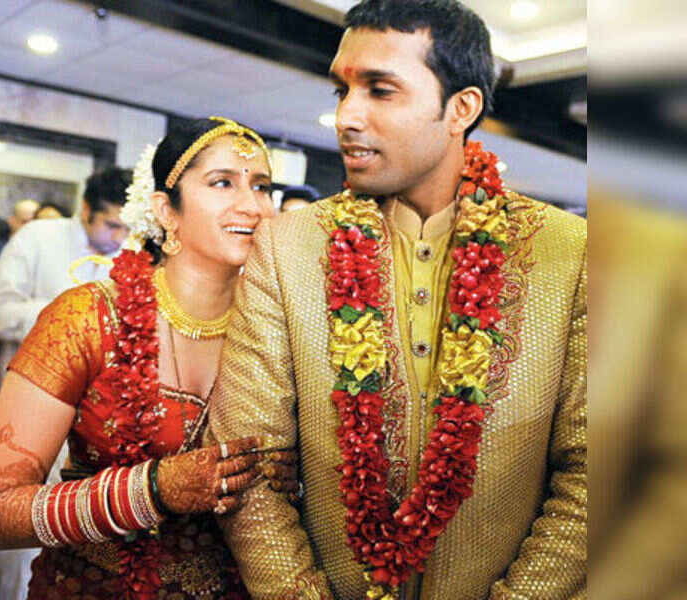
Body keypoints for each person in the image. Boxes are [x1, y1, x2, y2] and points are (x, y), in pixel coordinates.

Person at [209, 2, 586, 599]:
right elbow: (251, 467)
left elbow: (594, 472)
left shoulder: (571, 252)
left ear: (461, 108)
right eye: (342, 91)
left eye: (380, 90)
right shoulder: (287, 248)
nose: (347, 116)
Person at [0, 117, 297, 600]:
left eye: (262, 187)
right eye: (222, 183)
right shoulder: (87, 319)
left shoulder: (281, 329)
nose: (253, 206)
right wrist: (151, 491)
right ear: (165, 210)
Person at [0, 168, 131, 600]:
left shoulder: (133, 251)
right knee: (16, 531)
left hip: (95, 424)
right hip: (32, 409)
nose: (119, 237)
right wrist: (72, 317)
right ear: (85, 210)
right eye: (111, 225)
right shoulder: (39, 238)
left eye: (126, 227)